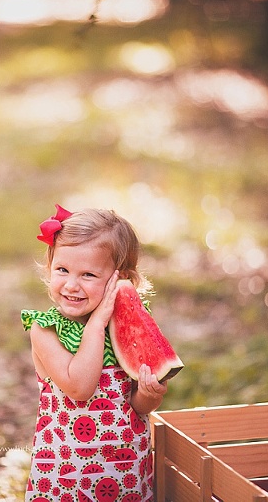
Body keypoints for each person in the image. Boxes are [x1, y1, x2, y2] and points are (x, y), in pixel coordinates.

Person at [21, 204, 169, 502]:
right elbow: (79, 387)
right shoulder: (46, 330)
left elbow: (133, 406)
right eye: (62, 270)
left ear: (120, 278)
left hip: (127, 471)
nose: (71, 285)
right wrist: (98, 323)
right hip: (67, 477)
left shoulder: (130, 325)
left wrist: (150, 396)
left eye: (88, 274)